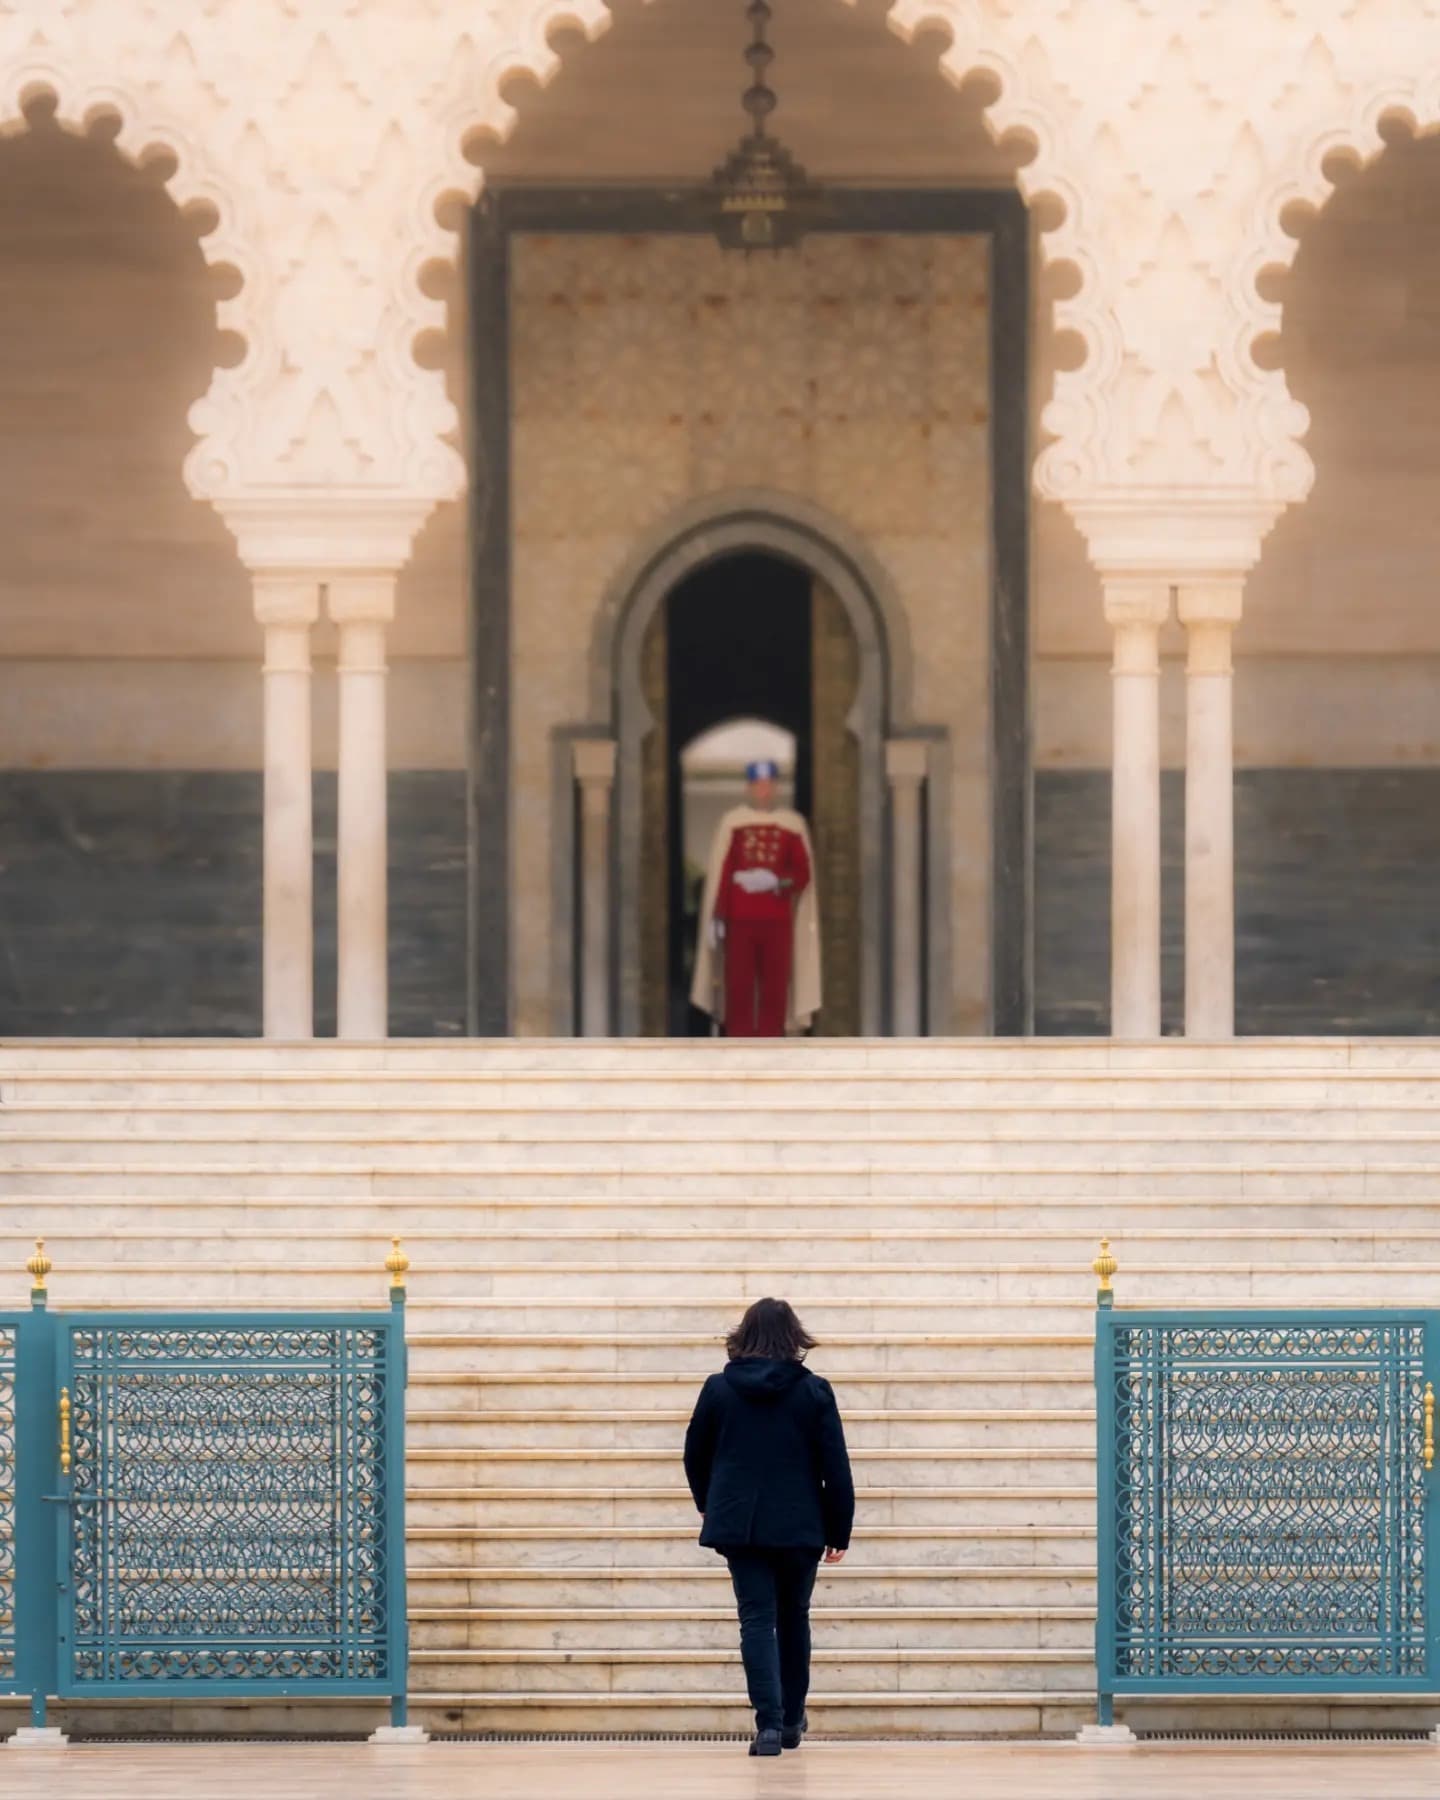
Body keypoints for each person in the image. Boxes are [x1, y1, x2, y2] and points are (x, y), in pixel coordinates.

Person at [682, 1297, 855, 1757]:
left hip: (741, 1522)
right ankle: (793, 1719)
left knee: (756, 1619)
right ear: (793, 1337)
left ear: (744, 1334)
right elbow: (834, 1465)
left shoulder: (718, 1389)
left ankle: (770, 1727)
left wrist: (707, 1504)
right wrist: (839, 1530)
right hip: (801, 1525)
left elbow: (695, 1453)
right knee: (793, 1618)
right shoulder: (815, 1390)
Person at [690, 760, 821, 1036]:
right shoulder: (733, 823)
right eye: (758, 785)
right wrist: (718, 915)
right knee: (739, 986)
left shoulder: (791, 824)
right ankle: (739, 1048)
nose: (764, 790)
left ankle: (771, 1048)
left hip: (778, 920)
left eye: (768, 784)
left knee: (775, 987)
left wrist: (777, 881)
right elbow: (722, 873)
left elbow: (803, 873)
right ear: (749, 787)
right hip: (739, 920)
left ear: (775, 787)